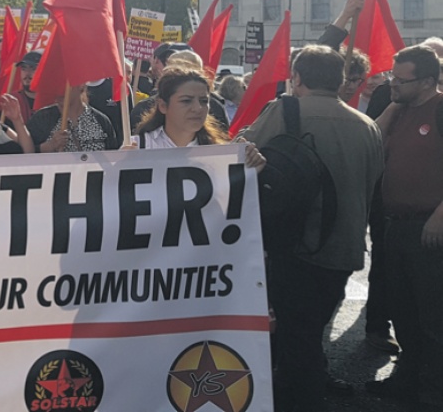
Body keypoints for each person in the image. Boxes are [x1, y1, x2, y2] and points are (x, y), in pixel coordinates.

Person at [241, 45, 383, 412]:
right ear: (341, 81)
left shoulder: (284, 110)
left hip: (295, 244)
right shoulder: (367, 126)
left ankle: (298, 399)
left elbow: (242, 156)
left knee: (295, 338)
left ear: (297, 78)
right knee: (310, 330)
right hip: (345, 248)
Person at [366, 45, 443, 408]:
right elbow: (372, 141)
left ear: (429, 81)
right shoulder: (398, 110)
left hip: (428, 226)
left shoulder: (440, 109)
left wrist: (439, 217)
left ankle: (432, 390)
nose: (391, 83)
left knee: (432, 316)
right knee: (402, 311)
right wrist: (396, 101)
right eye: (391, 76)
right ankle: (407, 380)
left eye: (401, 79)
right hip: (394, 224)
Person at [134, 67, 266, 170]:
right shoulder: (137, 148)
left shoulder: (220, 153)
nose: (197, 108)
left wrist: (251, 167)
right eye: (186, 101)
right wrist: (118, 165)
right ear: (163, 106)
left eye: (203, 101)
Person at [29, 84, 119, 153]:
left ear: (81, 84)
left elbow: (112, 156)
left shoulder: (101, 121)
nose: (60, 89)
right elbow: (25, 153)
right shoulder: (42, 118)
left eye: (65, 83)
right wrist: (49, 146)